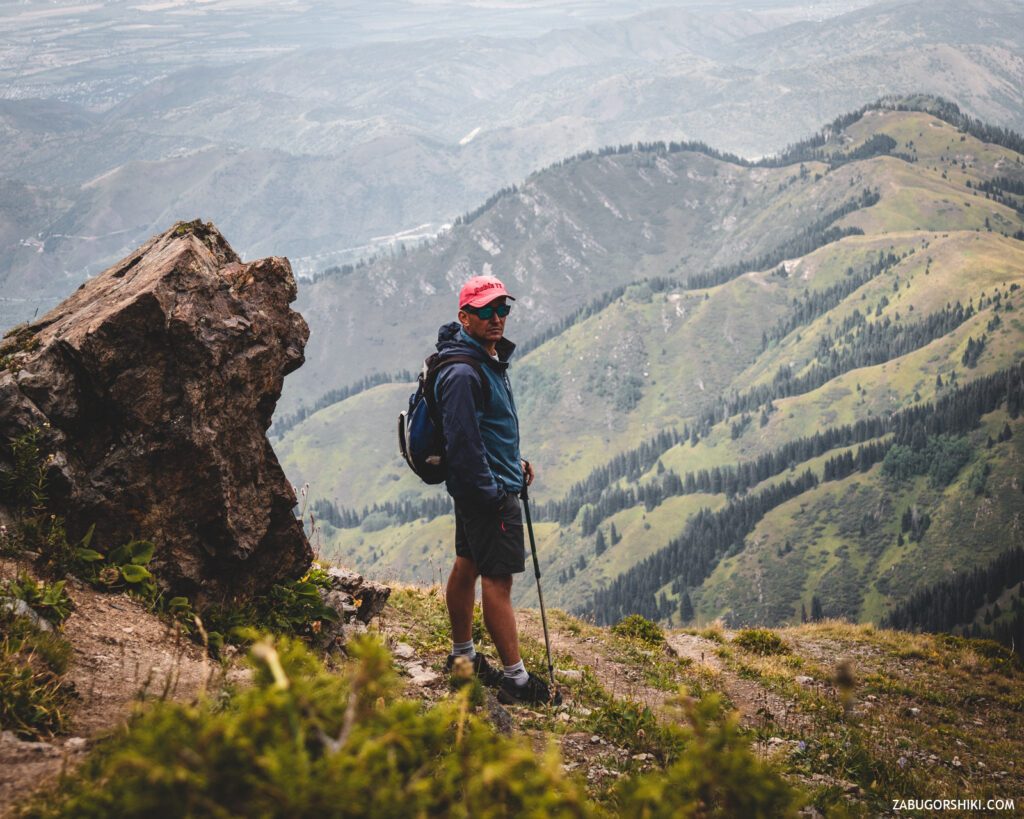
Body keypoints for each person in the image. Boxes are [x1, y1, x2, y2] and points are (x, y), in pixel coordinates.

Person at [433, 274, 560, 706]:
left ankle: (463, 658)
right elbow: (463, 442)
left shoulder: (481, 360)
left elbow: (485, 431)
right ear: (464, 317)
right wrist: (492, 492)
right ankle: (516, 681)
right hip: (488, 492)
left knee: (467, 564)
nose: (497, 318)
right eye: (486, 310)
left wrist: (515, 461)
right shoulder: (465, 373)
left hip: (487, 483)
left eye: (502, 308)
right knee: (498, 580)